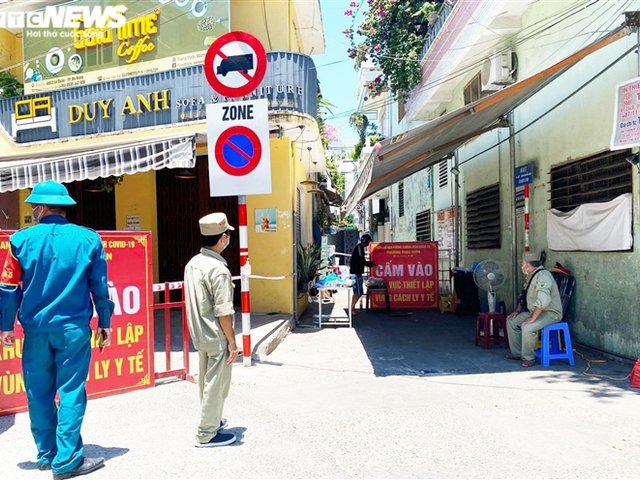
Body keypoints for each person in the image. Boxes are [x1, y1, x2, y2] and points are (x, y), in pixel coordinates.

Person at [0, 180, 114, 480]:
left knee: (38, 393)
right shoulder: (88, 240)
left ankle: (47, 454)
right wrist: (104, 321)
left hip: (35, 331)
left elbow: (8, 288)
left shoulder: (20, 241)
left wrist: (5, 326)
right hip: (73, 330)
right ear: (64, 208)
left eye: (34, 207)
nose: (33, 211)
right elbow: (100, 286)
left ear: (40, 208)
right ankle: (67, 459)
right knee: (71, 391)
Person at [184, 212, 239, 448]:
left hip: (199, 332)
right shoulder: (218, 270)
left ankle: (212, 419)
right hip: (216, 334)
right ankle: (207, 433)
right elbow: (224, 312)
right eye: (227, 236)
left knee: (207, 381)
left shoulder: (193, 264)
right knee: (217, 383)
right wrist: (232, 343)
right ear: (223, 238)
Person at [506, 251, 563, 368]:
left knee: (528, 327)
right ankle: (518, 353)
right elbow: (523, 295)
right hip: (536, 311)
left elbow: (543, 300)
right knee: (511, 321)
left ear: (527, 264)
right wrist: (517, 311)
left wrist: (532, 318)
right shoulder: (531, 275)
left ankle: (529, 358)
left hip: (550, 313)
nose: (522, 266)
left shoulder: (543, 276)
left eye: (523, 263)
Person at [349, 233, 376, 316]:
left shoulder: (360, 248)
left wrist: (370, 264)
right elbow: (362, 261)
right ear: (366, 242)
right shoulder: (359, 248)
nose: (368, 244)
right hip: (356, 274)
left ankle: (352, 308)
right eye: (368, 242)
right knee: (357, 292)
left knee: (360, 292)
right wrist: (370, 264)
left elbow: (362, 261)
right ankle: (351, 308)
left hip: (358, 273)